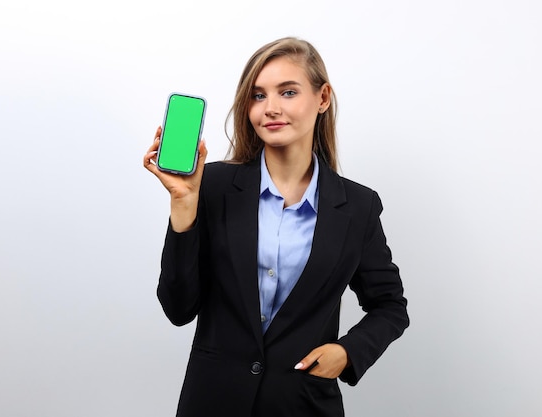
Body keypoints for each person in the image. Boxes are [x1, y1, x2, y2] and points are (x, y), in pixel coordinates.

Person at [143, 37, 409, 417]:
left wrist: (347, 352)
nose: (270, 109)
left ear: (322, 98)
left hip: (303, 406)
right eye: (257, 96)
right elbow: (178, 309)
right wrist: (184, 207)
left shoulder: (358, 207)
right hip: (213, 403)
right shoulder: (213, 185)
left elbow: (390, 306)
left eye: (287, 92)